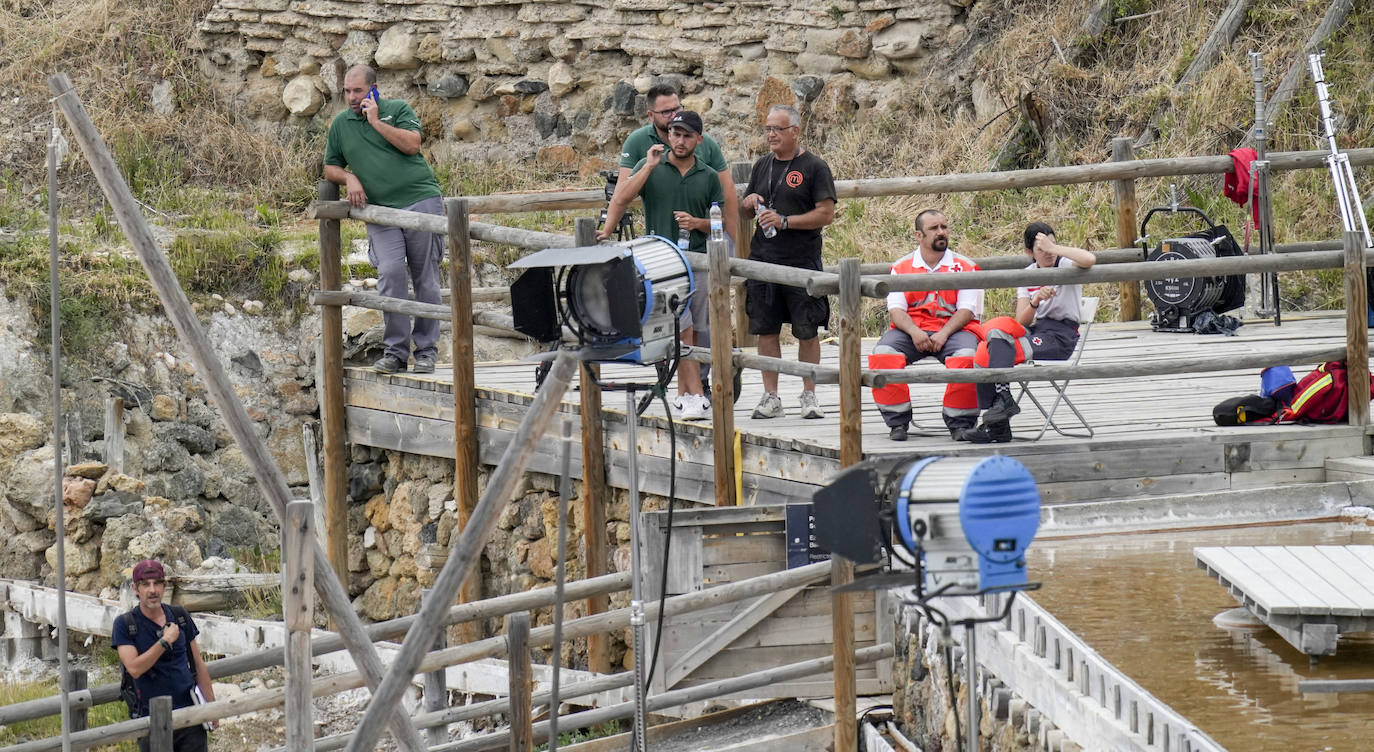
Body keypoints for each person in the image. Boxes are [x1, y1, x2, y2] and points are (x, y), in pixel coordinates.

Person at [598, 111, 724, 420]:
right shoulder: (649, 165)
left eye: (686, 135)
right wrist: (650, 166)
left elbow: (720, 224)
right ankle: (695, 396)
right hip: (660, 262)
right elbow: (621, 197)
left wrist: (698, 223)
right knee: (681, 329)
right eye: (675, 134)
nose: (680, 141)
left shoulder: (708, 175)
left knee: (697, 330)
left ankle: (684, 394)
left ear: (699, 139)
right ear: (668, 136)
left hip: (697, 260)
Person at [324, 64, 445, 375]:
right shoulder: (340, 125)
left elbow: (412, 145)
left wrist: (375, 121)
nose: (351, 97)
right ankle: (396, 353)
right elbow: (329, 168)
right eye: (347, 91)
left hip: (420, 201)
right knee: (390, 273)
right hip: (380, 211)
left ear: (373, 89)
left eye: (358, 91)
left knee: (425, 277)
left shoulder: (397, 109)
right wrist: (348, 178)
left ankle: (427, 352)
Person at [740, 105, 836, 420]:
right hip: (763, 261)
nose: (770, 135)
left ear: (795, 130)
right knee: (765, 330)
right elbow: (745, 209)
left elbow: (826, 214)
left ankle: (809, 395)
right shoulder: (762, 165)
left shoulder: (814, 167)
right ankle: (771, 396)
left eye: (777, 129)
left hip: (801, 263)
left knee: (806, 331)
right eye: (767, 128)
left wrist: (785, 221)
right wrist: (749, 202)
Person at [961, 222, 1096, 442]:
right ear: (1029, 252)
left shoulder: (1066, 263)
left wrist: (1054, 248)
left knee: (997, 347)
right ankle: (999, 419)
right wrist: (1036, 300)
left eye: (1051, 246)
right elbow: (1021, 320)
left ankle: (999, 414)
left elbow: (1089, 259)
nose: (1048, 253)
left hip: (1061, 336)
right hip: (1036, 330)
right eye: (1041, 249)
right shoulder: (1028, 274)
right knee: (985, 349)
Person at [869, 210, 984, 442]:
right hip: (912, 331)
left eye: (944, 227)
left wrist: (942, 334)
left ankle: (960, 423)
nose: (941, 232)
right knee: (883, 355)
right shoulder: (901, 267)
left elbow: (967, 310)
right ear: (918, 235)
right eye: (934, 228)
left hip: (955, 331)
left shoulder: (966, 266)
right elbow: (896, 310)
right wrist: (915, 332)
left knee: (968, 358)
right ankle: (897, 422)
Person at [112, 560, 215, 752]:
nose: (153, 590)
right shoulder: (125, 624)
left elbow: (198, 665)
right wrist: (165, 642)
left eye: (157, 583)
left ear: (164, 586)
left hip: (189, 715)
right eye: (146, 584)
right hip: (151, 720)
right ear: (136, 589)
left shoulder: (180, 615)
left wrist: (211, 708)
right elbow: (134, 668)